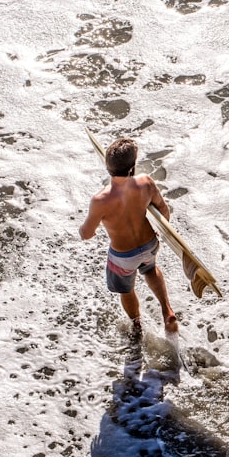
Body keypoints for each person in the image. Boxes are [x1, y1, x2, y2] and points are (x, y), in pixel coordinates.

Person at [79, 137, 179, 333]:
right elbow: (164, 212)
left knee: (126, 289)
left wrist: (83, 230)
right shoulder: (146, 183)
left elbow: (87, 234)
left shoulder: (101, 200)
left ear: (107, 166)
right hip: (149, 244)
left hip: (123, 257)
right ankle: (167, 310)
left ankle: (137, 325)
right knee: (150, 270)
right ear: (133, 166)